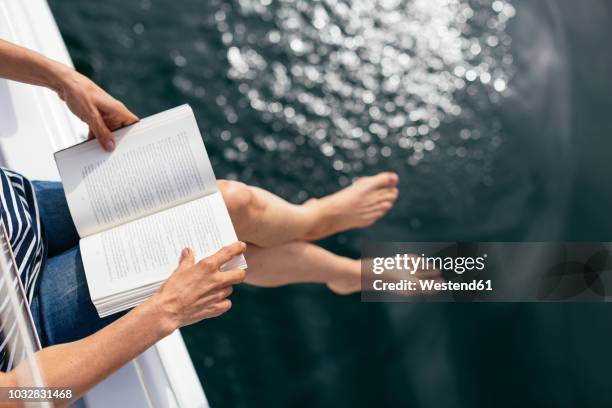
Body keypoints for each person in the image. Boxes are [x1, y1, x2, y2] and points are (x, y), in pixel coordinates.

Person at [0, 38, 402, 404]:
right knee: (226, 213)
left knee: (228, 209)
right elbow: (22, 395)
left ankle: (332, 248)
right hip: (27, 315)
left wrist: (64, 79)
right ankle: (325, 234)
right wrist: (165, 311)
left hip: (17, 212)